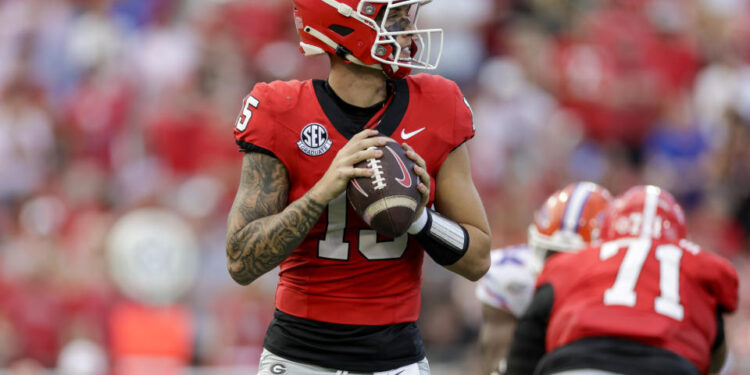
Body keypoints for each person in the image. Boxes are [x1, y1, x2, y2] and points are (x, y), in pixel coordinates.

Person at [225, 1, 491, 374]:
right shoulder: (281, 108)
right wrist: (321, 192)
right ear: (343, 27)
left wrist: (420, 219)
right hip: (298, 355)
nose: (409, 31)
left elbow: (479, 259)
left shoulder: (439, 104)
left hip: (395, 358)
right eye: (393, 19)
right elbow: (240, 261)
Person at [505, 185, 739, 375]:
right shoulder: (699, 266)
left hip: (578, 365)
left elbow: (527, 343)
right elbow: (714, 355)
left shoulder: (577, 262)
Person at [475, 182, 613, 375]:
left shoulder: (623, 294)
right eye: (554, 254)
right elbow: (497, 364)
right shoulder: (513, 279)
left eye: (577, 259)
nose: (563, 268)